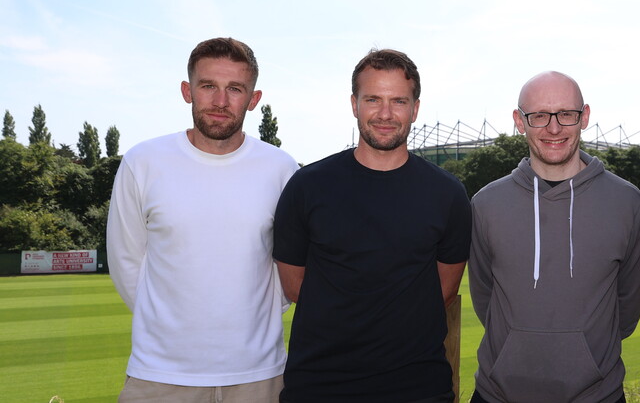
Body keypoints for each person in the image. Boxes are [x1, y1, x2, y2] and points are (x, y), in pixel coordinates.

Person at [107, 37, 300, 402]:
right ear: (187, 90)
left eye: (235, 89)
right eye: (208, 86)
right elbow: (126, 263)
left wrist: (248, 324)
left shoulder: (282, 168)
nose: (221, 101)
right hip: (160, 376)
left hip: (259, 376)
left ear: (254, 99)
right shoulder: (143, 161)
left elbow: (287, 269)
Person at [273, 49, 471, 403]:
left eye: (398, 101)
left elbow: (442, 289)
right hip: (319, 389)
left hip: (418, 389)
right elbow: (294, 284)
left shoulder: (448, 194)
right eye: (372, 99)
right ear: (354, 104)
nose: (385, 114)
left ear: (415, 108)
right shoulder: (307, 186)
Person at [469, 71, 640, 403]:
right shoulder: (485, 204)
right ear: (519, 122)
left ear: (585, 117)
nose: (554, 128)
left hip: (598, 397)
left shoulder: (626, 201)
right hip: (498, 396)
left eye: (566, 114)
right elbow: (485, 298)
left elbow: (627, 307)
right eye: (539, 116)